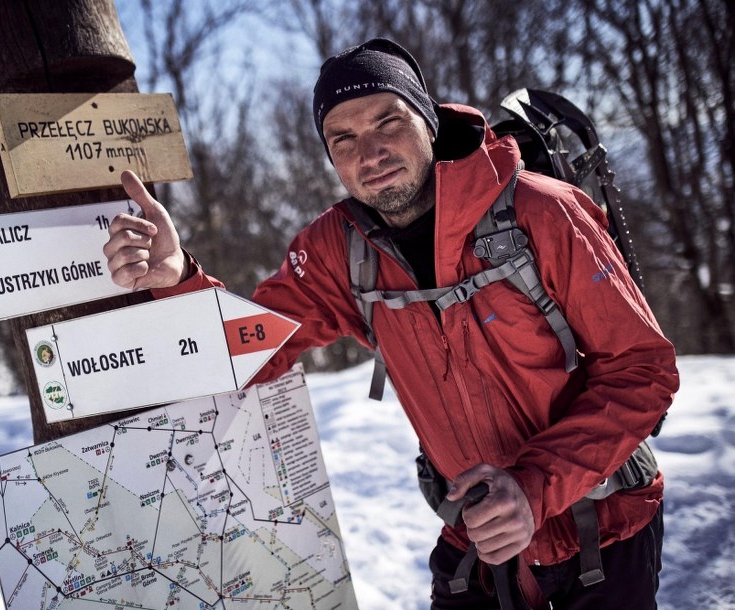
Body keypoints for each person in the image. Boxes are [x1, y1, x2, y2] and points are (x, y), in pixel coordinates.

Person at [103, 38, 678, 609]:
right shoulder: (336, 248)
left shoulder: (542, 211)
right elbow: (251, 349)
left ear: (427, 119)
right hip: (479, 540)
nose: (369, 152)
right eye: (343, 138)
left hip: (605, 524)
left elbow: (643, 371)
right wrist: (176, 279)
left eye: (388, 122)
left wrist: (534, 487)